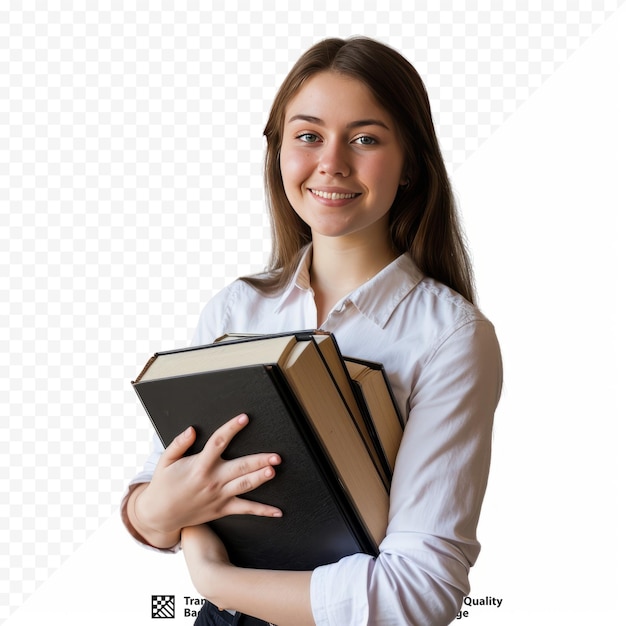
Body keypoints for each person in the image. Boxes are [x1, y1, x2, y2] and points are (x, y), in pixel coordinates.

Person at [121, 36, 503, 625]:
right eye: (308, 135)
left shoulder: (451, 336)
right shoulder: (236, 311)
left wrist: (215, 579)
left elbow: (422, 593)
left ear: (410, 165)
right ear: (278, 152)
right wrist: (156, 511)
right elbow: (156, 496)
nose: (332, 162)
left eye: (366, 139)